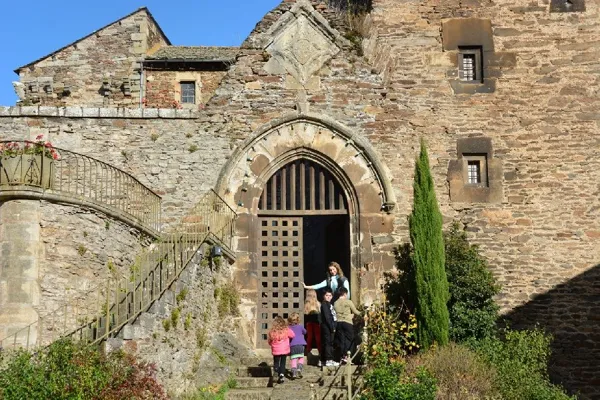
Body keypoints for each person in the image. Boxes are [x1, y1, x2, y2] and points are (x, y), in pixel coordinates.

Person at [333, 287, 361, 364]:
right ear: (345, 293)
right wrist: (364, 313)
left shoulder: (335, 303)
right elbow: (356, 312)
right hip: (347, 323)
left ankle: (342, 356)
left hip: (339, 323)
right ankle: (347, 356)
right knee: (351, 339)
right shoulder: (348, 302)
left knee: (342, 340)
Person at [267, 316, 295, 384]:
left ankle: (276, 371)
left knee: (276, 362)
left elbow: (269, 341)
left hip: (276, 350)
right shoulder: (286, 329)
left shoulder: (272, 331)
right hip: (284, 349)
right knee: (283, 362)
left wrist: (272, 344)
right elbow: (293, 335)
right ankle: (282, 374)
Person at [320, 288, 339, 368]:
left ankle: (325, 360)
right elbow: (327, 317)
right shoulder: (324, 304)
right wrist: (332, 327)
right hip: (327, 326)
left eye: (330, 295)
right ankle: (328, 359)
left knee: (330, 342)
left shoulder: (329, 304)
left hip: (331, 326)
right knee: (328, 343)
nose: (328, 297)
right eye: (326, 295)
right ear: (324, 296)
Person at [287, 312, 307, 379]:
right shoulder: (300, 326)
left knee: (294, 359)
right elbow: (305, 332)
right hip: (301, 345)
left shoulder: (288, 328)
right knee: (301, 357)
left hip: (293, 345)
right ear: (298, 320)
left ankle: (294, 372)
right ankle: (299, 368)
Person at [304, 289, 322, 361]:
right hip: (316, 322)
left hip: (309, 322)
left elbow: (305, 314)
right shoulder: (318, 303)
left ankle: (308, 350)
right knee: (317, 337)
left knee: (310, 337)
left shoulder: (306, 304)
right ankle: (320, 351)